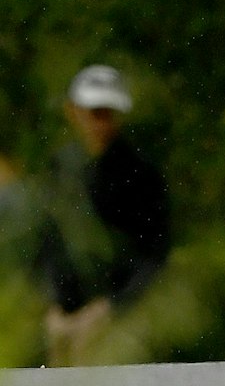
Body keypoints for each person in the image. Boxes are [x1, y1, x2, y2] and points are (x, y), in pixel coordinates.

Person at [34, 66, 169, 366]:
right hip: (65, 316)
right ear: (73, 112)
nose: (101, 122)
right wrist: (54, 307)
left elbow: (153, 252)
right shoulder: (60, 167)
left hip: (123, 310)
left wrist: (110, 308)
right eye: (94, 112)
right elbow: (48, 242)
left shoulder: (139, 172)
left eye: (108, 112)